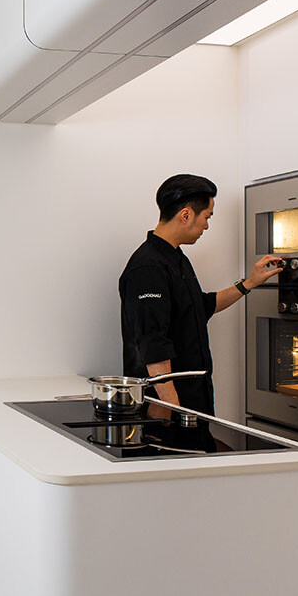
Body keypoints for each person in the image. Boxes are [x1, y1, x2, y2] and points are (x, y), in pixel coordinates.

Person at [119, 174, 284, 417]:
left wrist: (250, 282)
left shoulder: (177, 259)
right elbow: (153, 345)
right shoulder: (148, 267)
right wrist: (171, 408)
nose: (206, 226)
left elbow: (201, 306)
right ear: (186, 215)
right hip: (165, 407)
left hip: (193, 399)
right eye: (207, 217)